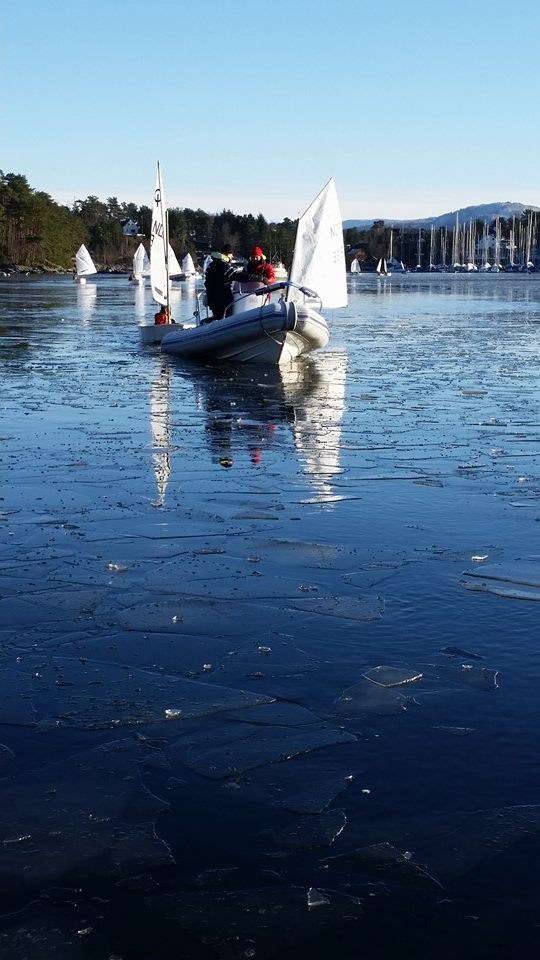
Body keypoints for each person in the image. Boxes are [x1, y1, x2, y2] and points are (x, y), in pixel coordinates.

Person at [204, 243, 237, 320]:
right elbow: (237, 276)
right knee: (226, 318)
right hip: (223, 301)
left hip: (213, 300)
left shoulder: (212, 265)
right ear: (227, 254)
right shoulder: (224, 266)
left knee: (218, 317)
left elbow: (208, 283)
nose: (232, 256)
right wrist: (258, 278)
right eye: (231, 254)